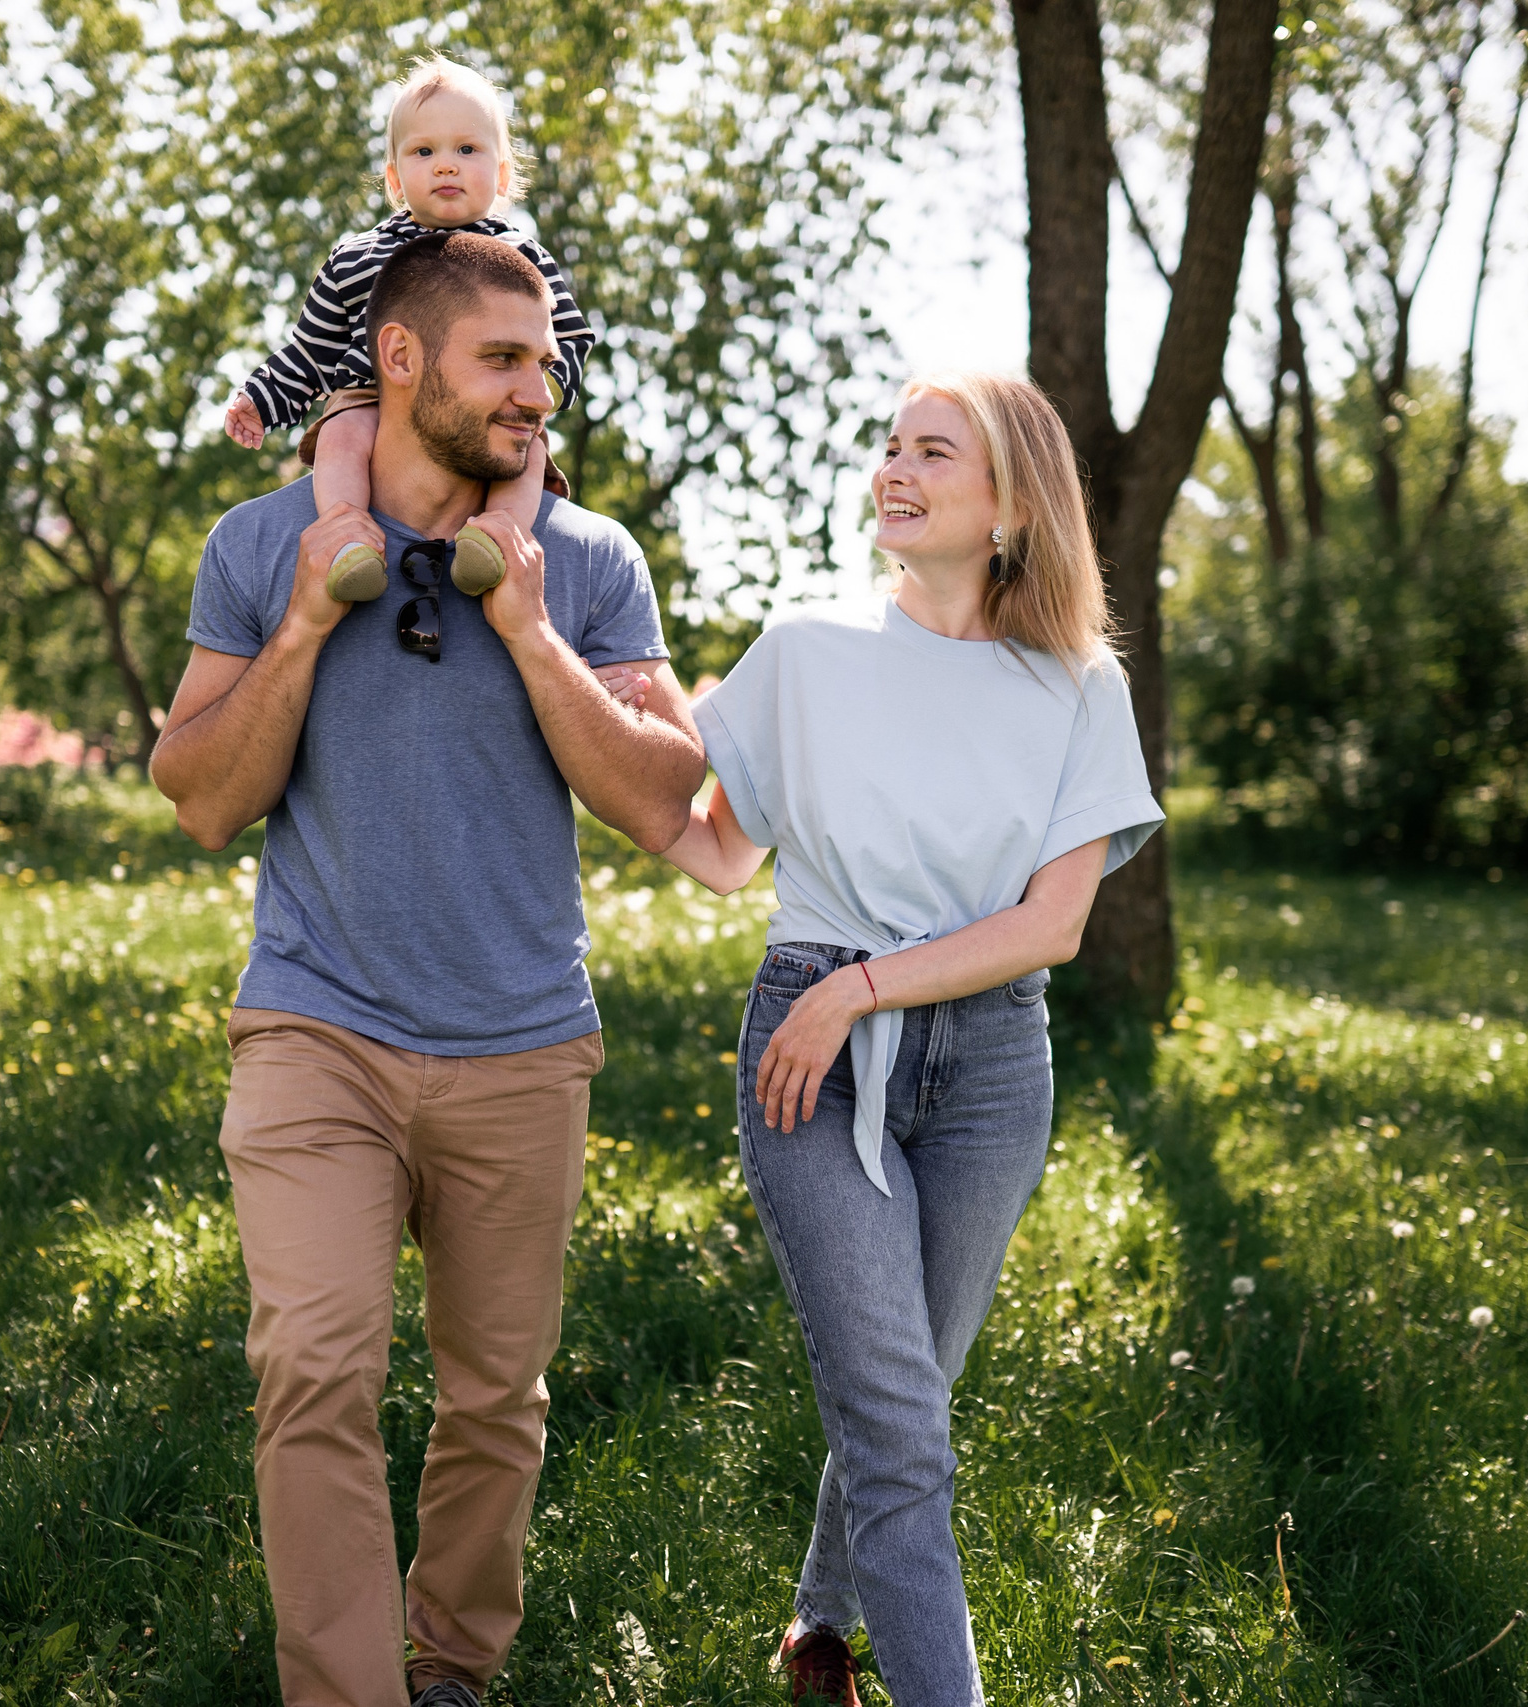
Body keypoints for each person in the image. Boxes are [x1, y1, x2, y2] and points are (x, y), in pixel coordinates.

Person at [152, 230, 704, 1707]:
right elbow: (202, 794)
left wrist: (527, 628)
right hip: (316, 1024)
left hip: (520, 1038)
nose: (541, 390)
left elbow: (664, 794)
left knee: (491, 1398)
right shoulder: (263, 544)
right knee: (317, 1369)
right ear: (400, 362)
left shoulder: (588, 559)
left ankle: (451, 1661)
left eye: (546, 360)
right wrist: (306, 621)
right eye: (504, 362)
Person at [659, 373, 1165, 1706]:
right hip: (809, 1063)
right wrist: (583, 697)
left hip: (992, 1066)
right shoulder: (807, 651)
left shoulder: (1076, 683)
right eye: (886, 444)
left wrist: (866, 986)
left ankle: (819, 1619)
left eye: (930, 450)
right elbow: (711, 849)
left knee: (914, 1389)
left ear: (1008, 503)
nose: (893, 466)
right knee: (900, 1426)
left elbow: (1053, 924)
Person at [224, 56, 594, 605]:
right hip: (370, 395)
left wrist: (537, 394)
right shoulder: (357, 256)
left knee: (528, 454)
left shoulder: (522, 258)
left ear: (502, 174)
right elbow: (311, 350)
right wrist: (261, 399)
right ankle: (349, 540)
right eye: (424, 152)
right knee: (340, 435)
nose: (446, 166)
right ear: (395, 178)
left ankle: (496, 541)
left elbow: (570, 335)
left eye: (466, 149)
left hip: (491, 412)